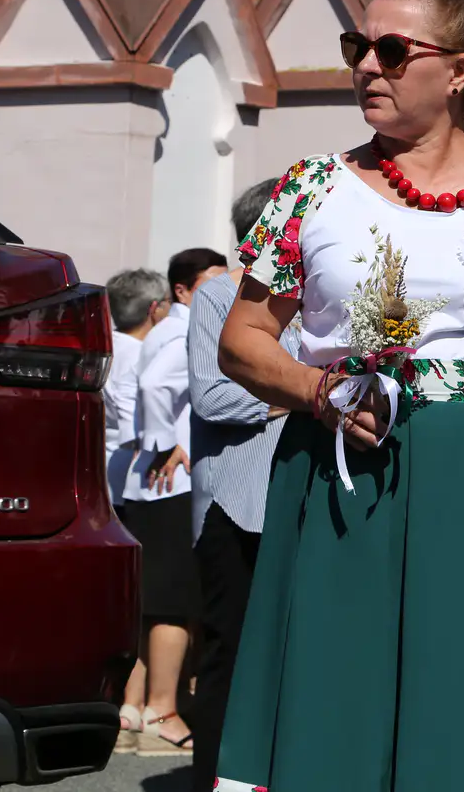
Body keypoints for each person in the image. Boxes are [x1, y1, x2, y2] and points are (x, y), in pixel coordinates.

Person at [214, 0, 464, 792]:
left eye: (391, 51)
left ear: (457, 71)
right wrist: (317, 390)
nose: (366, 67)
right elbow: (241, 341)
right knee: (334, 696)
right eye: (358, 48)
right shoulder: (311, 188)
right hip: (342, 474)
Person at [186, 179, 304, 792]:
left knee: (297, 654)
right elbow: (212, 396)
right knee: (230, 652)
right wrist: (307, 394)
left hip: (303, 498)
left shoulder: (316, 299)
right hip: (237, 503)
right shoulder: (217, 297)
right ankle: (217, 777)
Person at [120, 246, 228, 756]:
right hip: (172, 481)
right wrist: (165, 443)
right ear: (182, 290)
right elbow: (155, 383)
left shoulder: (174, 326)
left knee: (156, 601)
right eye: (212, 279)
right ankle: (163, 711)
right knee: (173, 602)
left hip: (157, 481)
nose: (223, 287)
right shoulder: (186, 327)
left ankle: (140, 707)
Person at [103, 267, 170, 753]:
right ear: (154, 309)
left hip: (106, 479)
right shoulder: (141, 353)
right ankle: (137, 701)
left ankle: (123, 700)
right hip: (138, 480)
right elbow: (137, 422)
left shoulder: (104, 345)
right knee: (148, 598)